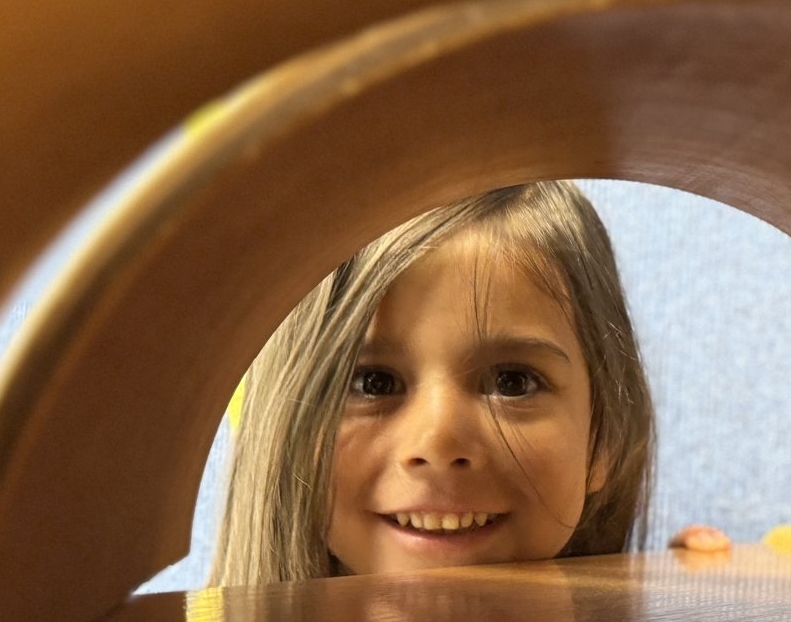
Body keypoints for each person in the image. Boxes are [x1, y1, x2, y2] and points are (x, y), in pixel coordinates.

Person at [209, 181, 729, 584]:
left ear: (604, 438)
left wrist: (687, 610)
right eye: (372, 383)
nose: (438, 442)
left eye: (513, 382)